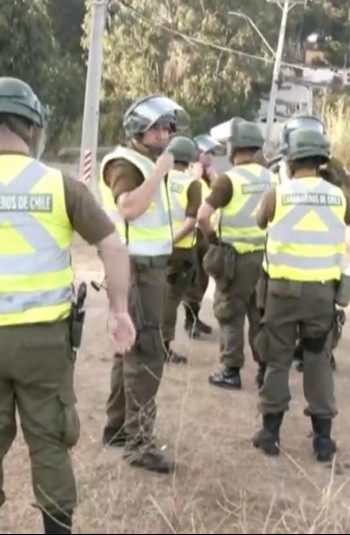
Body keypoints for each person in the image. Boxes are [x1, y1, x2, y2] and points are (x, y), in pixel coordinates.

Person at [0, 77, 136, 534]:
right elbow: (114, 248)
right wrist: (119, 312)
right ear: (34, 130)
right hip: (43, 342)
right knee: (50, 441)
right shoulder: (61, 186)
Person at [253, 128, 350, 461]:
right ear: (321, 161)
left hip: (282, 292)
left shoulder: (279, 194)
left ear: (290, 160)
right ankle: (322, 440)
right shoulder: (337, 197)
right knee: (318, 360)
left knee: (277, 360)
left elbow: (261, 222)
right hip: (321, 294)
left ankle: (270, 433)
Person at [98, 93, 188, 474]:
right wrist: (160, 170)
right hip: (135, 268)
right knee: (147, 351)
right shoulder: (125, 163)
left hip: (146, 267)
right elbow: (130, 207)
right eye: (158, 127)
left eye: (168, 127)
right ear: (138, 128)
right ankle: (139, 442)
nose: (165, 134)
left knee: (129, 348)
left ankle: (118, 427)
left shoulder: (144, 161)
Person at [268, 115, 350, 375]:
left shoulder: (283, 168)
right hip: (321, 266)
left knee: (280, 328)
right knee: (319, 314)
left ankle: (294, 359)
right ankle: (318, 356)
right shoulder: (330, 166)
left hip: (284, 263)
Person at [197, 118, 273, 390]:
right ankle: (265, 370)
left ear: (233, 147)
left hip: (235, 260)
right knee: (260, 315)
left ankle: (231, 371)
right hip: (265, 260)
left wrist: (213, 239)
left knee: (230, 313)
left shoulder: (228, 180)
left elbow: (202, 216)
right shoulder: (271, 178)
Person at [159, 135, 204, 364]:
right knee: (171, 299)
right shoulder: (191, 184)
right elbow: (191, 221)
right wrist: (172, 240)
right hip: (180, 250)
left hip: (158, 247)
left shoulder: (160, 178)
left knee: (158, 297)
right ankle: (163, 346)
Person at [181, 134, 219, 338]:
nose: (210, 157)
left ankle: (194, 318)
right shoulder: (187, 174)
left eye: (212, 153)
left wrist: (214, 182)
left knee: (203, 279)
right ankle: (190, 322)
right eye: (207, 153)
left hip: (205, 232)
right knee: (192, 281)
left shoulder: (209, 177)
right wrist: (195, 178)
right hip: (191, 232)